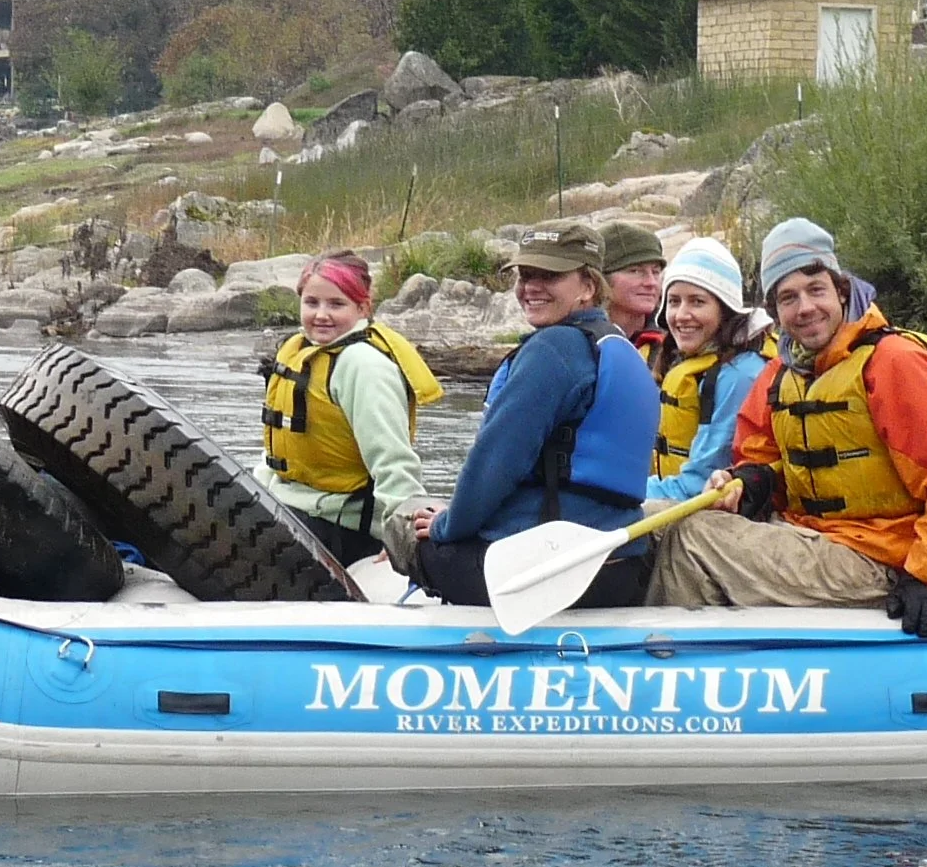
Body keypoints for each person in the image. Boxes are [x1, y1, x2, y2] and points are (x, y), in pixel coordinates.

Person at [650, 219, 927, 637]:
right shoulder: (781, 372)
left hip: (881, 559)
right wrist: (748, 483)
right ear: (775, 312)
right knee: (664, 520)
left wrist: (926, 578)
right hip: (812, 537)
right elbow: (760, 458)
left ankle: (663, 655)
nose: (805, 308)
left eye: (816, 290)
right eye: (788, 298)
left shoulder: (893, 363)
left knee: (692, 537)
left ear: (841, 292)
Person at [380, 221, 660, 608]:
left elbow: (495, 464)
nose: (531, 287)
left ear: (588, 286)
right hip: (621, 568)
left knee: (403, 523)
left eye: (549, 276)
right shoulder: (623, 350)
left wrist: (446, 525)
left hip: (546, 572)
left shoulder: (554, 350)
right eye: (525, 275)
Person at [255, 250, 444, 565]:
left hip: (341, 528)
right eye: (312, 303)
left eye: (336, 304)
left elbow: (393, 459)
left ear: (363, 307)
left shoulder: (364, 365)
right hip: (290, 503)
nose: (321, 314)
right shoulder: (299, 349)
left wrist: (399, 532)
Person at [646, 237, 772, 504]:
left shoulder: (740, 374)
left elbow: (699, 483)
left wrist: (624, 493)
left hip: (703, 505)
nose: (681, 315)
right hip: (674, 493)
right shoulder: (687, 360)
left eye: (697, 302)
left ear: (725, 310)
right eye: (674, 301)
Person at [600, 222, 666, 358]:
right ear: (602, 278)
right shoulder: (580, 342)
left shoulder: (674, 341)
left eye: (656, 271)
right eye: (635, 271)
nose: (651, 282)